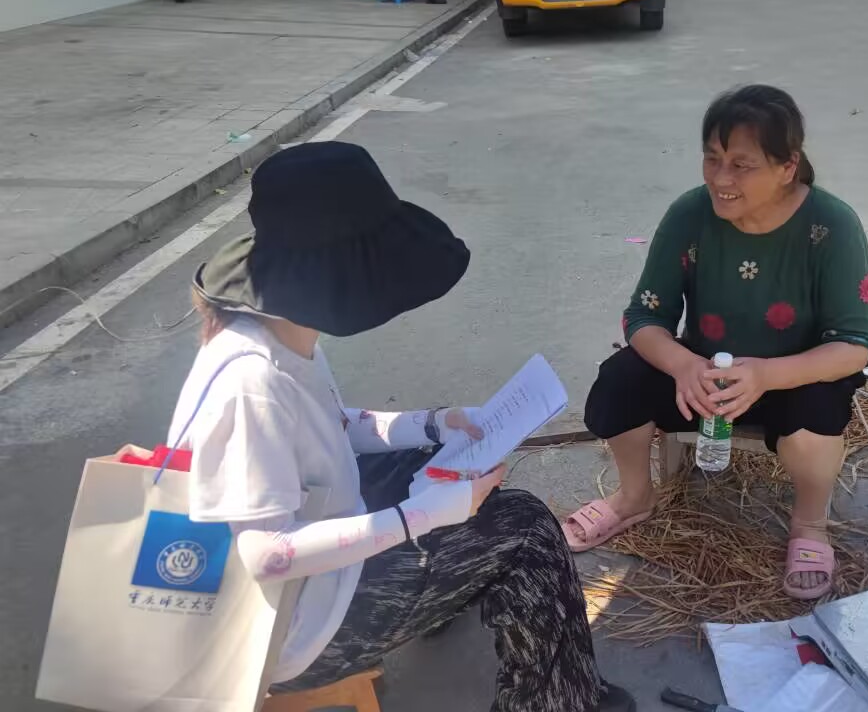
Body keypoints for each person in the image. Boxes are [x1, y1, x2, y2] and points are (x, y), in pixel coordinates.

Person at [170, 141, 634, 712]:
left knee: (440, 464)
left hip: (309, 570)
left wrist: (438, 424)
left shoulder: (276, 330)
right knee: (526, 529)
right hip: (292, 628)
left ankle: (447, 591)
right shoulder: (252, 383)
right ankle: (557, 702)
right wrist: (426, 516)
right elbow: (266, 554)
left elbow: (334, 427)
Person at [563, 85, 868, 601]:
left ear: (787, 166)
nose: (720, 179)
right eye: (712, 159)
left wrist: (766, 375)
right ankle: (634, 497)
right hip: (705, 377)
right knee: (621, 380)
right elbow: (644, 316)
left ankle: (809, 523)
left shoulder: (832, 226)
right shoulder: (690, 214)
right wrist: (684, 366)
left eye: (741, 165)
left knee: (819, 418)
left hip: (793, 377)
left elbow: (855, 344)